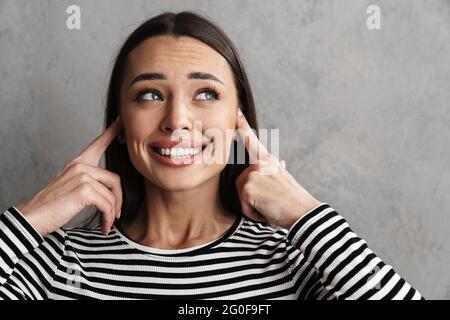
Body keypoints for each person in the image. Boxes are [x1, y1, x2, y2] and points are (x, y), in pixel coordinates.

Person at [0, 11, 423, 300]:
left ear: (240, 117)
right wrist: (29, 219)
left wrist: (305, 215)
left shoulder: (295, 261)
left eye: (206, 94)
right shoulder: (56, 265)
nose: (177, 120)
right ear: (121, 121)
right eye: (149, 94)